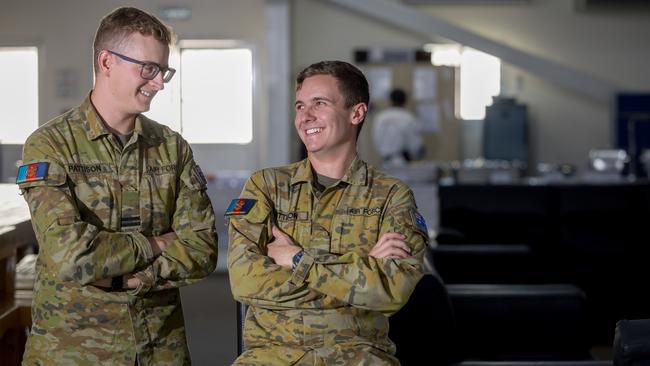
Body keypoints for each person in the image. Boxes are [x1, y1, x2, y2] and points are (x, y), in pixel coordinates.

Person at [16, 7, 217, 365]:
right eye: (149, 69)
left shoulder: (171, 147)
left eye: (163, 71)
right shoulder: (50, 145)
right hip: (74, 351)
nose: (159, 83)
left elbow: (202, 249)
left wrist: (131, 280)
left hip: (159, 349)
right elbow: (70, 256)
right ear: (107, 62)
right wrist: (155, 243)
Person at [227, 61, 428, 365]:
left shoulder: (391, 195)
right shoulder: (265, 186)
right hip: (271, 357)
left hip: (359, 357)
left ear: (356, 113)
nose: (305, 116)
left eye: (319, 103)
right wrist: (360, 273)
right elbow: (244, 282)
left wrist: (297, 259)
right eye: (300, 106)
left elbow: (391, 292)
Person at [372, 88, 424, 167]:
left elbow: (376, 138)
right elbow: (415, 144)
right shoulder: (408, 118)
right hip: (403, 164)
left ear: (390, 100)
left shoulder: (380, 117)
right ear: (405, 101)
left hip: (385, 163)